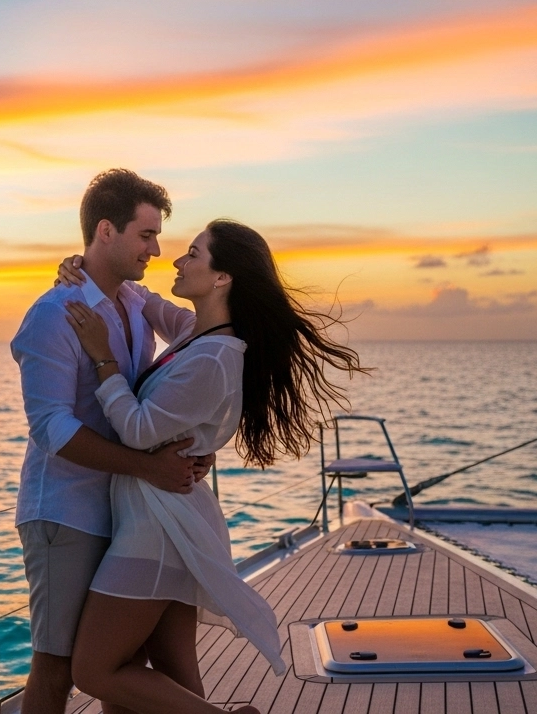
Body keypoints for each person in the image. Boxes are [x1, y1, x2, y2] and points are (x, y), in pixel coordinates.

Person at [57, 219, 368, 714]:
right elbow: (141, 298)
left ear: (222, 277)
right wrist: (85, 269)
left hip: (158, 529)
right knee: (173, 669)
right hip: (167, 518)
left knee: (95, 670)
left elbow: (137, 430)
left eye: (193, 254)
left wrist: (103, 358)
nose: (177, 261)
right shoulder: (194, 334)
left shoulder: (215, 357)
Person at [11, 169, 211, 714]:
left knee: (121, 664)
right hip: (66, 512)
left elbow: (202, 345)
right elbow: (51, 429)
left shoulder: (136, 303)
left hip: (124, 508)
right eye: (146, 235)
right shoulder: (54, 315)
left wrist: (201, 439)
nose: (156, 249)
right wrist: (147, 467)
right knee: (55, 668)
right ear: (106, 230)